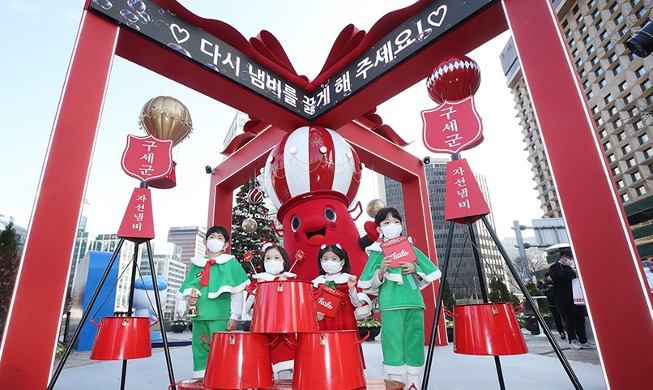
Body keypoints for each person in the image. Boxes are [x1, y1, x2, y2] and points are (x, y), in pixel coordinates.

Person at [358, 207, 441, 390]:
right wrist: (381, 271)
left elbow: (430, 272)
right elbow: (367, 283)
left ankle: (414, 384)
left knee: (414, 342)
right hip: (391, 304)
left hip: (414, 302)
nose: (392, 226)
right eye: (386, 223)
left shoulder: (411, 248)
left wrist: (415, 269)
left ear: (401, 225)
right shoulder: (377, 253)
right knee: (392, 344)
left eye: (395, 222)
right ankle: (395, 384)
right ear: (379, 229)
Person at [178, 225, 250, 375]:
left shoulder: (230, 263)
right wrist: (189, 299)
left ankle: (222, 378)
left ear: (226, 245)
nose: (214, 240)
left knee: (222, 350)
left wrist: (234, 316)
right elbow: (189, 287)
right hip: (199, 317)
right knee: (199, 348)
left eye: (219, 238)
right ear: (204, 242)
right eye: (211, 237)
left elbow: (236, 292)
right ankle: (201, 378)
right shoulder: (197, 264)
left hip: (220, 317)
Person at [243, 242, 296, 380]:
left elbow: (295, 308)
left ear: (284, 262)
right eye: (268, 258)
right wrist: (257, 290)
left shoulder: (291, 281)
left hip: (284, 335)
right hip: (262, 334)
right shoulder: (257, 281)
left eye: (277, 258)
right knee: (262, 374)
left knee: (285, 375)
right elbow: (248, 310)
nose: (272, 261)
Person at [311, 244, 365, 331]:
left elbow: (358, 304)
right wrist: (314, 314)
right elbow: (309, 305)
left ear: (342, 262)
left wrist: (352, 289)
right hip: (322, 325)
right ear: (321, 262)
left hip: (345, 324)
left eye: (334, 259)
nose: (329, 262)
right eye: (325, 259)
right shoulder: (316, 283)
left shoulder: (348, 280)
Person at [549, 248, 593, 350]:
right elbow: (557, 277)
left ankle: (583, 340)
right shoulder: (555, 267)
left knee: (580, 319)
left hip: (576, 298)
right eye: (569, 258)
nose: (570, 260)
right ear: (563, 257)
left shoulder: (571, 268)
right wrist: (572, 273)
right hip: (564, 299)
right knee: (570, 320)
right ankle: (572, 340)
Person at [539, 272, 566, 339]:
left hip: (561, 303)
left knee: (565, 318)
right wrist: (551, 290)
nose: (550, 278)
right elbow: (546, 293)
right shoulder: (545, 285)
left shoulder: (556, 283)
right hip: (552, 304)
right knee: (557, 319)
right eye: (548, 276)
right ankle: (561, 332)